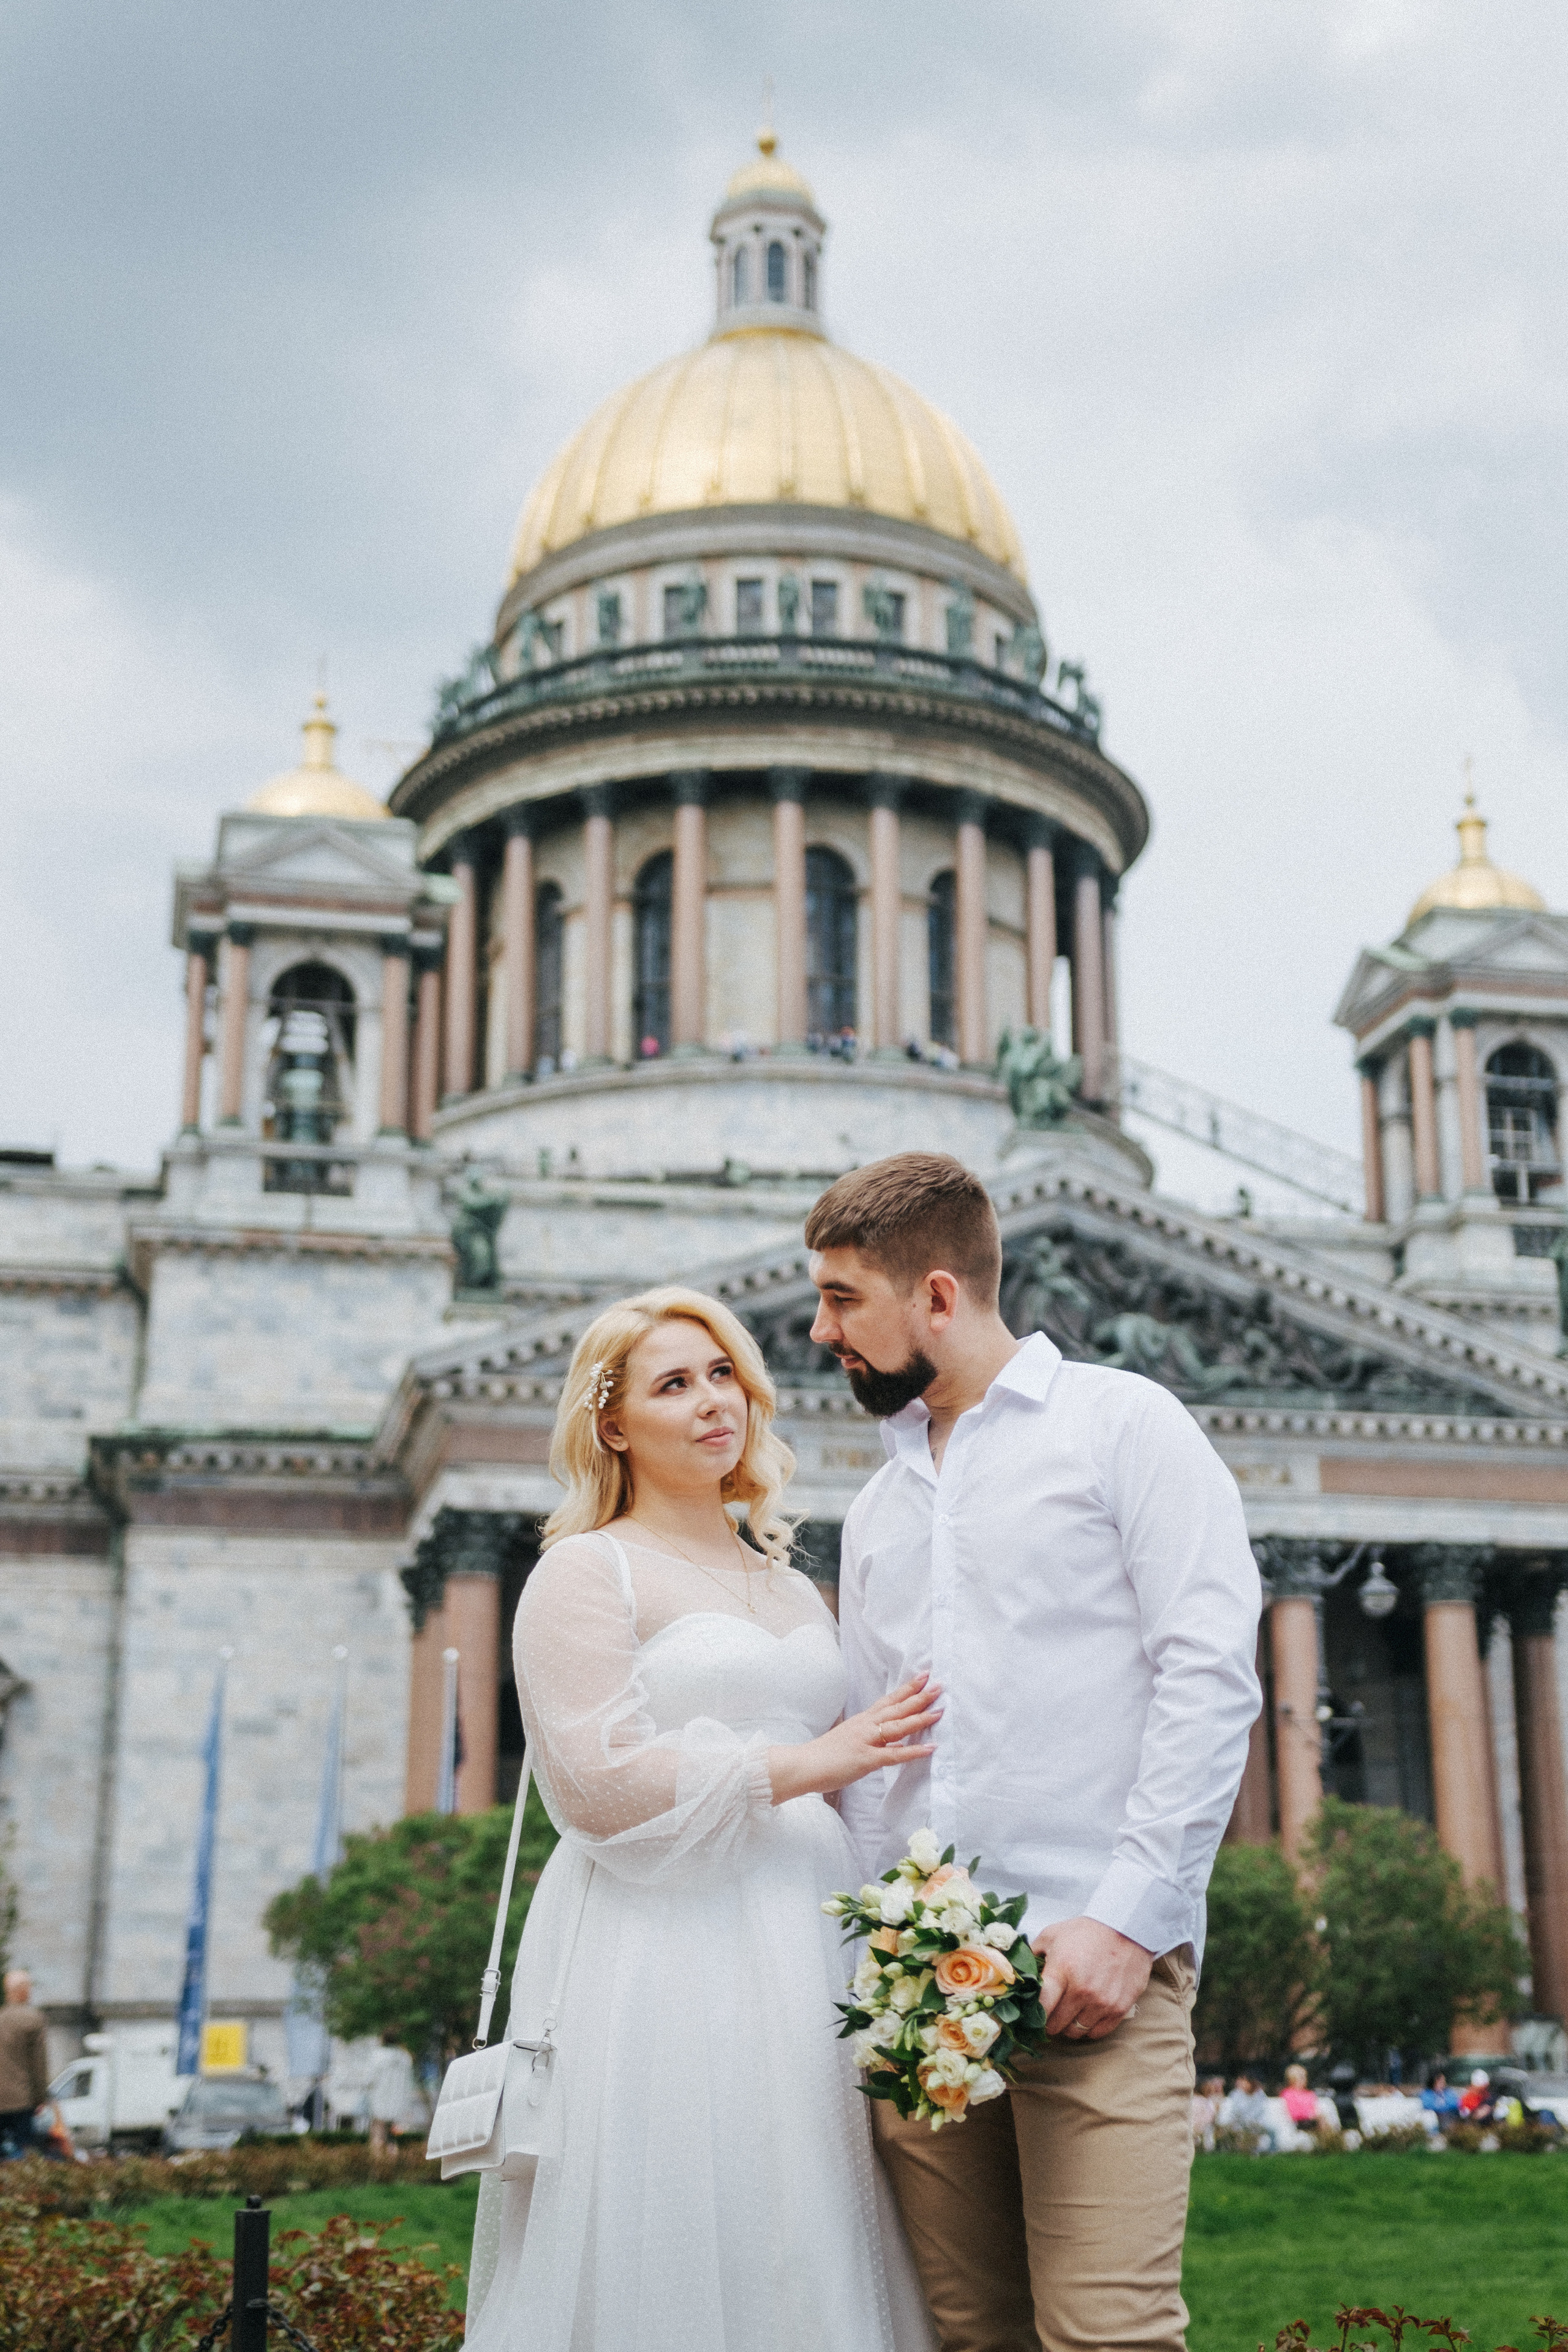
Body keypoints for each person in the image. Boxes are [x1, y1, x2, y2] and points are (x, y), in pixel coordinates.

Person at [808, 1153, 1262, 2352]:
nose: (819, 1332)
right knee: (972, 2336)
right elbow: (879, 1763)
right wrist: (866, 1963)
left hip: (1091, 1970)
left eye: (843, 1299)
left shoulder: (1124, 1427)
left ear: (937, 1296)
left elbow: (1209, 1677)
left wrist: (1129, 1921)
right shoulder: (878, 1507)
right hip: (919, 1988)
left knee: (1109, 2334)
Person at [463, 1285, 938, 2352]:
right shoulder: (585, 1571)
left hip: (811, 1923)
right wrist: (804, 1764)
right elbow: (594, 1785)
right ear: (613, 1425)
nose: (713, 1401)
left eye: (723, 1374)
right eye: (674, 1384)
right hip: (661, 1939)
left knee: (813, 2209)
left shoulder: (790, 1585)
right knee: (687, 2193)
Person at [0, 1969, 61, 2162]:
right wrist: (41, 2098)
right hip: (22, 2100)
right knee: (23, 2153)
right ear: (23, 1990)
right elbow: (38, 2064)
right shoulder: (34, 2019)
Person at [368, 2030, 415, 2156]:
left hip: (380, 2100)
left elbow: (370, 2079)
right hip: (399, 2102)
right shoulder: (405, 2057)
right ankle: (392, 2158)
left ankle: (377, 2161)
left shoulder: (378, 2055)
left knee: (378, 2132)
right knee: (393, 2136)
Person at [1219, 2073, 1274, 2150]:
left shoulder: (1261, 2096)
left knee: (1265, 2142)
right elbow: (1229, 2116)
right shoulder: (1235, 2095)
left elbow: (1263, 2118)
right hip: (1238, 2129)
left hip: (1256, 2130)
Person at [1190, 2076, 1224, 2154]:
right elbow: (1209, 2119)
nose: (1211, 2089)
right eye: (1208, 2087)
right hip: (1198, 2130)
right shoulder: (1199, 2101)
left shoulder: (1206, 2100)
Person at [1280, 2064, 1320, 2131]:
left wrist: (1314, 2115)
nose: (1305, 2080)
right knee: (1321, 2121)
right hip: (1298, 2122)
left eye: (1305, 2077)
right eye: (1301, 2077)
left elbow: (1314, 2110)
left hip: (1312, 2121)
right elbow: (1292, 2113)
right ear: (1292, 2078)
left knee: (1321, 2119)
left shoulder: (1310, 2094)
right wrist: (1308, 2115)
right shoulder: (1288, 2094)